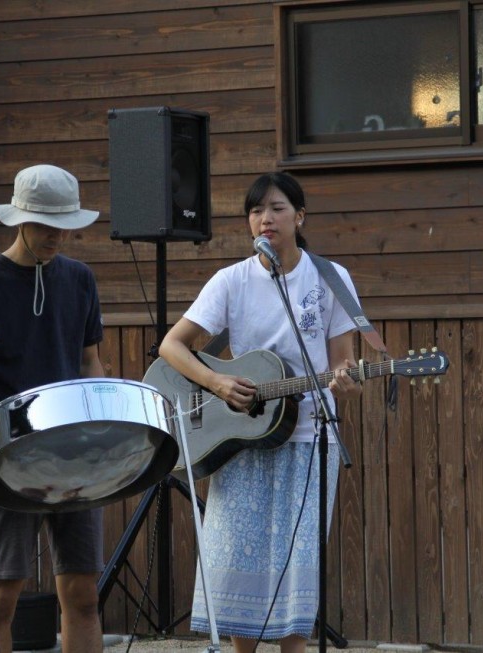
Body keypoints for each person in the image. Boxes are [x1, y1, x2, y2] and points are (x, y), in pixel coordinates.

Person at [157, 172, 363, 653]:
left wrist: (349, 378)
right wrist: (219, 382)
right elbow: (173, 345)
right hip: (242, 441)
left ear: (300, 216)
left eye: (276, 208)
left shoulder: (331, 278)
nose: (265, 219)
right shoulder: (230, 281)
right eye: (255, 211)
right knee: (237, 567)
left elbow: (342, 361)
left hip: (309, 439)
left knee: (297, 571)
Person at [0, 164, 106, 653]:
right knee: (1, 596)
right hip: (11, 456)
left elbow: (90, 363)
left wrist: (104, 424)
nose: (58, 236)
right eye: (46, 226)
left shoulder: (80, 279)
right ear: (19, 220)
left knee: (82, 595)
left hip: (74, 455)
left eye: (65, 225)